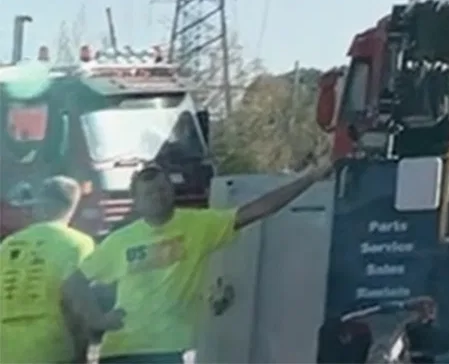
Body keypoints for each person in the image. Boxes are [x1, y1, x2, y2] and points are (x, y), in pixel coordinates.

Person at [82, 156, 333, 364]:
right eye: (148, 193)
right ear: (135, 202)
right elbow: (74, 282)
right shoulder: (120, 241)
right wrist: (97, 319)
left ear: (171, 190)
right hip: (121, 351)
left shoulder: (198, 225)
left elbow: (259, 209)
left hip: (167, 351)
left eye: (162, 189)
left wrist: (309, 179)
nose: (157, 196)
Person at [0, 179, 102, 364]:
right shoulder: (78, 243)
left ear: (39, 204)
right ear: (74, 205)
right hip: (53, 351)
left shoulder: (8, 244)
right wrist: (82, 353)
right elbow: (78, 302)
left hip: (7, 353)